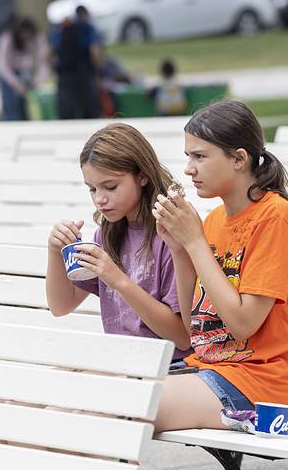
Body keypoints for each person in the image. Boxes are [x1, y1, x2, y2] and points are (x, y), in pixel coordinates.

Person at [151, 100, 288, 432]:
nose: (188, 168)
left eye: (199, 156)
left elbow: (244, 323)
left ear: (239, 159)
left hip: (260, 384)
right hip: (210, 368)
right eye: (188, 156)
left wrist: (196, 242)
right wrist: (181, 250)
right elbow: (193, 330)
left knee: (125, 403)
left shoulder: (276, 218)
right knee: (89, 390)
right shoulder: (215, 220)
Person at [46, 123, 191, 359]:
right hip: (120, 362)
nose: (100, 199)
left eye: (110, 187)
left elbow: (182, 338)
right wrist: (55, 251)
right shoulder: (107, 235)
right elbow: (61, 306)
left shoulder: (170, 234)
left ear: (142, 175)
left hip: (168, 367)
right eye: (92, 189)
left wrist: (118, 280)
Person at [51, 5, 103, 119]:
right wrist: (98, 70)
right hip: (85, 73)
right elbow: (94, 51)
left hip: (65, 74)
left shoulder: (61, 28)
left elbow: (50, 53)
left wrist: (55, 69)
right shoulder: (88, 28)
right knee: (90, 111)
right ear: (85, 13)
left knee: (66, 112)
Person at [0, 16, 49, 121]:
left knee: (26, 107)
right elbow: (2, 66)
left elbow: (43, 63)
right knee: (11, 106)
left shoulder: (38, 38)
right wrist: (16, 84)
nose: (26, 39)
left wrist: (38, 80)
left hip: (24, 70)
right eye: (23, 36)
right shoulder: (7, 38)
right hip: (7, 74)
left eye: (29, 37)